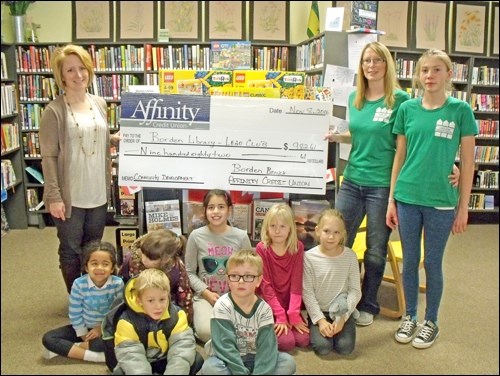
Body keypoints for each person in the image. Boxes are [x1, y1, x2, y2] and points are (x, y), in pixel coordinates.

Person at [325, 41, 459, 327]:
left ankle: (369, 303)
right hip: (352, 180)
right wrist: (340, 137)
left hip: (383, 186)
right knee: (337, 240)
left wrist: (451, 164)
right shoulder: (355, 99)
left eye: (377, 60)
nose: (371, 66)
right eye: (366, 61)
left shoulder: (400, 101)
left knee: (375, 249)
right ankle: (336, 297)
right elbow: (364, 134)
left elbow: (412, 140)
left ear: (387, 64)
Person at [386, 49, 476, 349]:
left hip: (441, 201)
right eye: (424, 70)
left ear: (449, 74)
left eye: (437, 70)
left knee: (433, 262)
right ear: (418, 75)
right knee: (410, 261)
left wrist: (463, 207)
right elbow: (400, 156)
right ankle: (410, 315)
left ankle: (431, 321)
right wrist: (391, 200)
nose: (430, 76)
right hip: (408, 196)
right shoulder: (407, 109)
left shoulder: (460, 110)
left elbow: (468, 160)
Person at [39, 44, 121, 294]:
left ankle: (94, 296)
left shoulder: (98, 103)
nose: (78, 75)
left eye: (82, 68)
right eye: (70, 70)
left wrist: (114, 139)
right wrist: (53, 196)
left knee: (93, 247)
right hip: (69, 195)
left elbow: (93, 139)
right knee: (71, 249)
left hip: (96, 190)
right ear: (61, 75)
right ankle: (76, 299)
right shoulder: (54, 111)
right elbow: (49, 157)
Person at [201, 249, 296, 375]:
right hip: (228, 360)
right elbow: (225, 347)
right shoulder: (222, 306)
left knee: (288, 362)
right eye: (234, 276)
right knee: (210, 368)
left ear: (258, 280)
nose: (241, 281)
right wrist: (240, 372)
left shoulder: (264, 310)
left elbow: (267, 348)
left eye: (248, 276)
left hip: (256, 356)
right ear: (228, 279)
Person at [184, 189, 252, 343]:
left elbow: (250, 271)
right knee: (206, 332)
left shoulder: (241, 237)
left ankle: (225, 338)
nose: (216, 212)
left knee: (247, 329)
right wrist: (206, 292)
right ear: (205, 211)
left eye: (221, 207)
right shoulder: (196, 236)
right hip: (205, 298)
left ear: (229, 210)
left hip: (236, 296)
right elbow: (189, 272)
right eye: (211, 207)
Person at [42, 241, 124, 362]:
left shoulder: (117, 284)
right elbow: (75, 313)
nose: (99, 268)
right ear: (86, 267)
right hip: (84, 328)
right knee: (48, 339)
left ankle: (71, 348)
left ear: (112, 268)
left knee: (120, 340)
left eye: (105, 264)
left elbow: (118, 312)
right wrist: (82, 334)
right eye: (94, 264)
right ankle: (97, 357)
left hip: (107, 328)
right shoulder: (79, 284)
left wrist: (101, 328)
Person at [113, 268, 204, 374]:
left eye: (162, 299)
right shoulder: (126, 321)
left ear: (168, 297)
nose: (158, 306)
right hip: (141, 362)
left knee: (196, 359)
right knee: (120, 372)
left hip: (165, 360)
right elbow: (131, 356)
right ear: (139, 300)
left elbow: (181, 348)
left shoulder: (177, 316)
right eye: (150, 300)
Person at [303, 209, 362, 356]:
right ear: (317, 231)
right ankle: (316, 324)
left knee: (345, 348)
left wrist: (343, 318)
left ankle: (345, 324)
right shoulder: (309, 258)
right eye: (326, 231)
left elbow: (355, 290)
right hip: (319, 311)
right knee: (323, 348)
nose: (331, 237)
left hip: (342, 310)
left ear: (343, 234)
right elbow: (307, 293)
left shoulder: (350, 256)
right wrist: (320, 321)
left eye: (336, 232)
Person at [255, 203, 310, 352]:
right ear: (266, 227)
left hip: (291, 303)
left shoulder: (297, 247)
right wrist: (280, 315)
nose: (277, 231)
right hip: (270, 304)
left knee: (304, 340)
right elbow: (265, 286)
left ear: (290, 228)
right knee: (287, 343)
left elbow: (296, 283)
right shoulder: (262, 248)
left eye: (282, 226)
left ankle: (290, 317)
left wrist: (293, 313)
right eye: (272, 226)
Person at [118, 228, 194, 325]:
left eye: (151, 258)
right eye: (143, 253)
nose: (144, 259)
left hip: (165, 313)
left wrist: (185, 322)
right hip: (136, 312)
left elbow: (185, 296)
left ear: (166, 258)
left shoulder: (177, 268)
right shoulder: (131, 260)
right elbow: (122, 284)